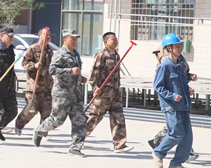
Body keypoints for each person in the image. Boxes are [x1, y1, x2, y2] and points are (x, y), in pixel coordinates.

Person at [32, 29, 88, 157]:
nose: (74, 41)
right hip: (62, 93)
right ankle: (40, 130)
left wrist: (80, 78)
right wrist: (70, 71)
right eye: (72, 38)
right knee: (57, 120)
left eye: (76, 39)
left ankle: (75, 148)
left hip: (75, 94)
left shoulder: (76, 54)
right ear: (65, 39)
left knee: (80, 120)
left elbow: (75, 72)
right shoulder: (60, 54)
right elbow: (52, 70)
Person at [147, 38, 200, 162]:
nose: (180, 48)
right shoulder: (164, 65)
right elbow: (158, 86)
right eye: (177, 46)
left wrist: (188, 89)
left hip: (184, 105)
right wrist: (172, 96)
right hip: (172, 106)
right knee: (176, 133)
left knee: (187, 137)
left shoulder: (180, 65)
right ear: (169, 48)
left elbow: (182, 83)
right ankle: (158, 152)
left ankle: (177, 164)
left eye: (181, 46)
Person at [86, 32, 132, 153]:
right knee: (94, 119)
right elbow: (93, 74)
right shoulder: (101, 55)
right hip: (103, 94)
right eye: (113, 40)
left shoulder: (116, 55)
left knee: (118, 119)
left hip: (115, 94)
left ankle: (119, 145)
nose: (116, 41)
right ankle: (78, 140)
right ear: (106, 42)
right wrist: (95, 87)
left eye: (116, 39)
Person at [15, 27, 53, 136]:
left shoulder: (50, 51)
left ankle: (42, 132)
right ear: (40, 36)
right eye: (46, 35)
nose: (48, 37)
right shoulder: (33, 48)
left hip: (47, 86)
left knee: (47, 111)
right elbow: (24, 63)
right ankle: (19, 124)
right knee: (31, 110)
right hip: (34, 86)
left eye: (49, 35)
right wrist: (34, 65)